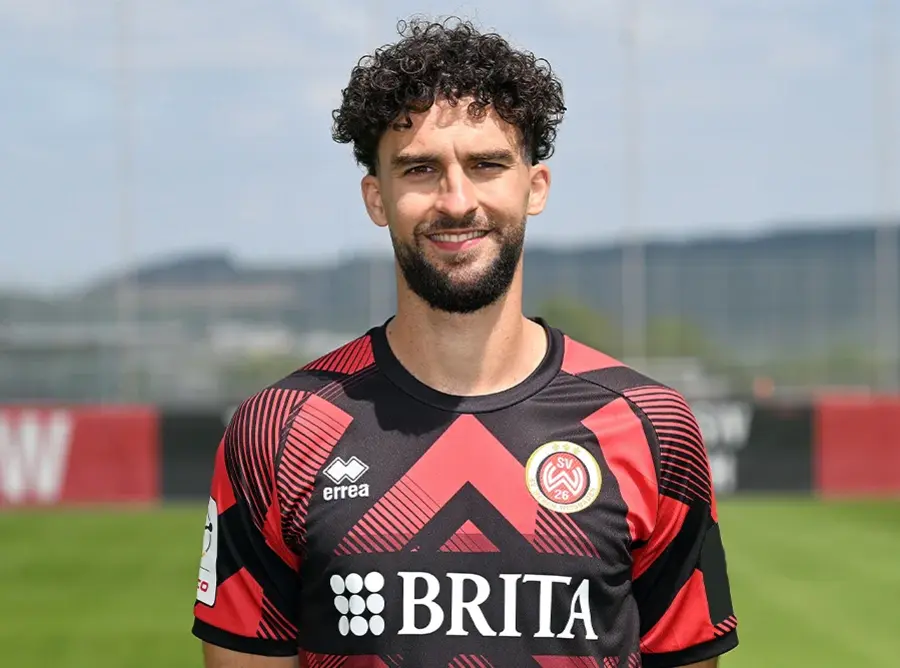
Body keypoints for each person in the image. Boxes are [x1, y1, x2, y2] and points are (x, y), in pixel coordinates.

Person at [192, 17, 739, 668]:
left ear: (535, 187)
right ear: (377, 198)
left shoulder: (650, 428)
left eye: (486, 165)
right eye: (420, 169)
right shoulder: (279, 432)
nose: (456, 201)